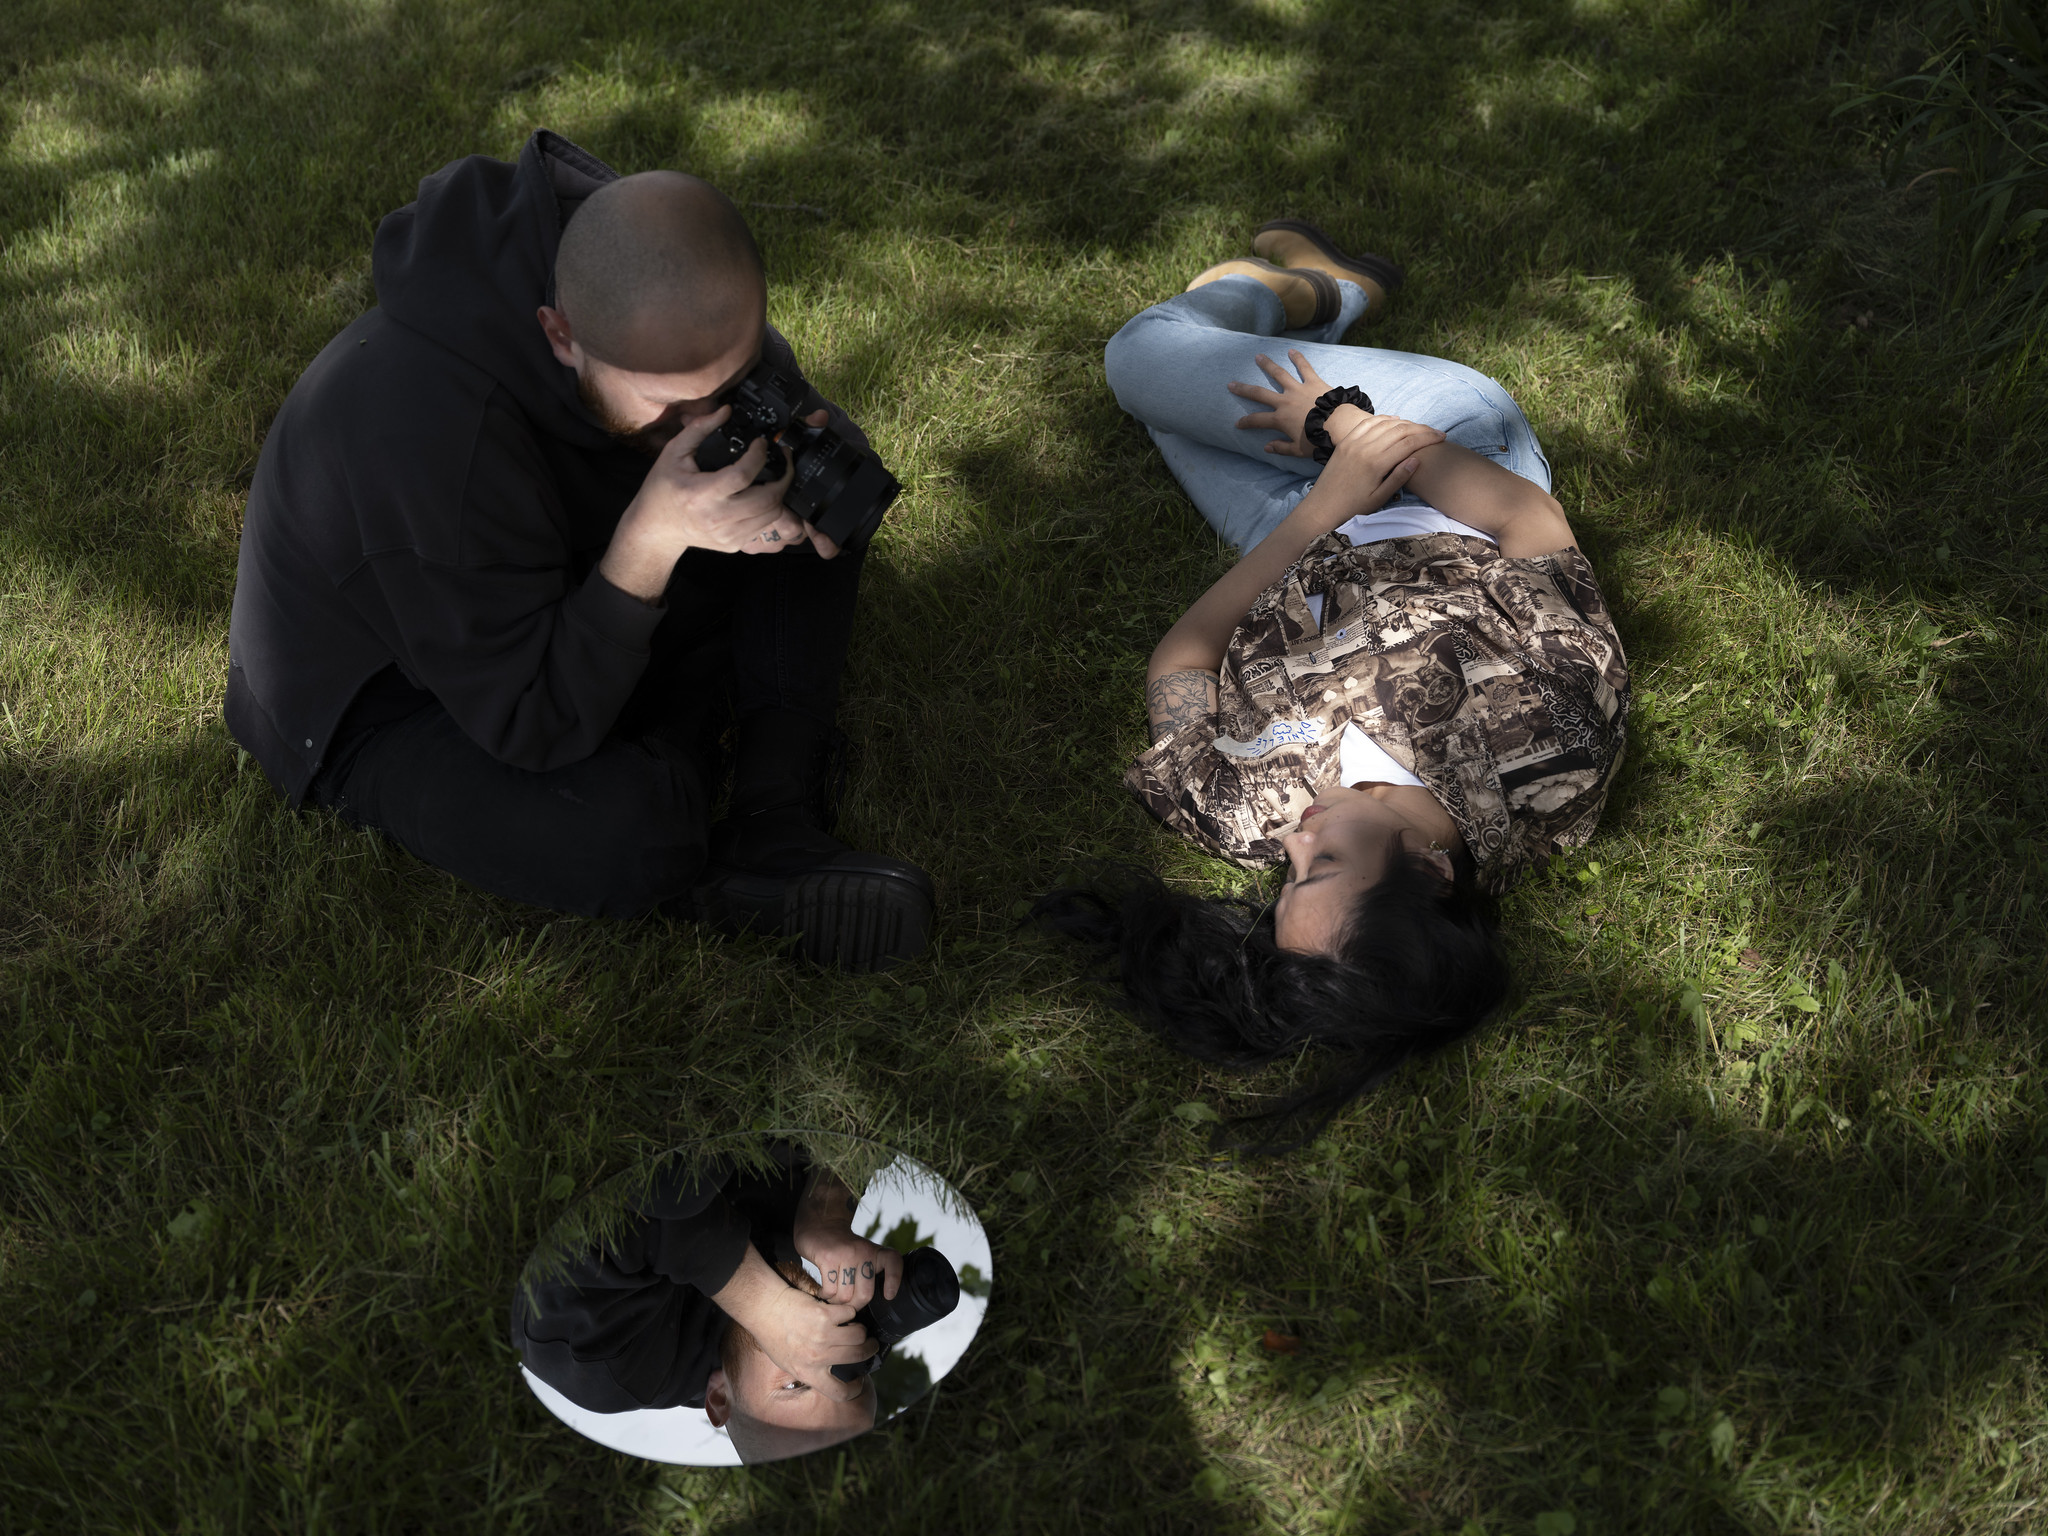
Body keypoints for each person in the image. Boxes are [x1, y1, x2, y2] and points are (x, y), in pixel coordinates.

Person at [225, 130, 932, 969]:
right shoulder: (429, 437)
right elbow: (531, 722)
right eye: (671, 413)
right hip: (389, 697)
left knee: (804, 506)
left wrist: (792, 464)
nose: (705, 427)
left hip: (551, 568)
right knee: (626, 830)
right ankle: (697, 788)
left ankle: (775, 815)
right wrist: (650, 539)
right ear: (562, 334)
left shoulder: (668, 295)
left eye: (735, 390)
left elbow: (807, 450)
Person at [1040, 222, 1630, 1135]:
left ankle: (1309, 298)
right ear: (1432, 871)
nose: (1291, 846)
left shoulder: (1240, 819)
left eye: (1286, 881)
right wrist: (1339, 426)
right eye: (1323, 869)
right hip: (1437, 466)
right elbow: (1531, 526)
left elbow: (1183, 661)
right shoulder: (1547, 755)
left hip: (1292, 525)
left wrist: (1319, 507)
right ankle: (1317, 299)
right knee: (1141, 356)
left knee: (1151, 384)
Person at [512, 1150, 900, 1464]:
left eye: (797, 1382)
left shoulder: (605, 1368)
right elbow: (852, 1112)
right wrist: (826, 1211)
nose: (822, 1348)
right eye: (848, 1372)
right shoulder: (789, 1261)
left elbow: (607, 1195)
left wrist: (765, 1303)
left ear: (720, 1397)